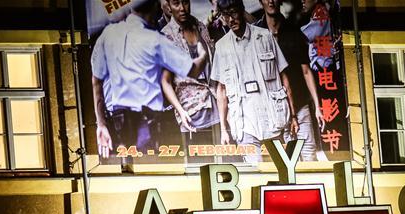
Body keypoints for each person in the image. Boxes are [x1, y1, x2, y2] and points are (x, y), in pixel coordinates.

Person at [91, 0, 209, 160]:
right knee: (156, 170)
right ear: (155, 7)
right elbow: (193, 71)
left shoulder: (108, 35)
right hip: (148, 124)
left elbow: (96, 82)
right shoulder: (156, 40)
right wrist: (203, 54)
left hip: (117, 121)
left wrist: (101, 124)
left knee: (127, 171)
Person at [210, 0, 298, 163]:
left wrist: (293, 116)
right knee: (254, 171)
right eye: (225, 15)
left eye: (233, 12)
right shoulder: (221, 47)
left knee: (280, 169)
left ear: (242, 11)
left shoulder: (264, 36)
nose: (231, 19)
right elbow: (221, 91)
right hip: (244, 123)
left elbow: (284, 77)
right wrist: (223, 129)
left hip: (272, 118)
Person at [256, 0, 324, 160]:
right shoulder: (256, 33)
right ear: (260, 2)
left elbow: (306, 71)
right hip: (273, 109)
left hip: (300, 104)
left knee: (308, 155)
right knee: (284, 160)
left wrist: (318, 106)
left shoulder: (293, 32)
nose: (271, 1)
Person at [161, 0, 219, 157]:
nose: (182, 8)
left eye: (185, 2)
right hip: (191, 110)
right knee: (198, 160)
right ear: (168, 6)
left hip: (216, 102)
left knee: (224, 155)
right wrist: (180, 111)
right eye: (176, 4)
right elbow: (165, 81)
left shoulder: (200, 26)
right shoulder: (166, 36)